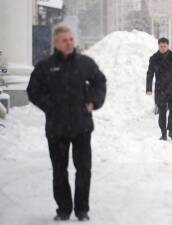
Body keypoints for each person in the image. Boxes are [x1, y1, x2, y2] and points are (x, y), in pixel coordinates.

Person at [27, 26, 107, 221]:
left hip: (82, 126)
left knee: (83, 169)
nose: (70, 43)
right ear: (56, 43)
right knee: (59, 171)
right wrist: (50, 106)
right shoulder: (45, 66)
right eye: (65, 40)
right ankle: (63, 209)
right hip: (57, 128)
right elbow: (33, 91)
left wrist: (94, 101)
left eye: (71, 39)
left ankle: (82, 210)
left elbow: (99, 82)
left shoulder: (85, 63)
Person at [146, 37, 172, 140]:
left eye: (164, 46)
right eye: (161, 46)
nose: (163, 48)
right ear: (158, 46)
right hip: (160, 89)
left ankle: (171, 131)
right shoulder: (154, 58)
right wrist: (148, 88)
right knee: (162, 111)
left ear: (168, 46)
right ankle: (163, 133)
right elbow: (150, 74)